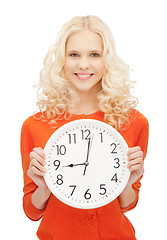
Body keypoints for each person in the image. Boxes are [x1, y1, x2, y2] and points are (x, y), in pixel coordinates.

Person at [21, 15, 149, 240]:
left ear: (106, 60)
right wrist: (44, 188)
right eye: (74, 55)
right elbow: (31, 211)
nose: (83, 64)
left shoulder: (133, 122)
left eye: (94, 55)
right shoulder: (35, 126)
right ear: (62, 61)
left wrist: (126, 184)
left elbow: (128, 204)